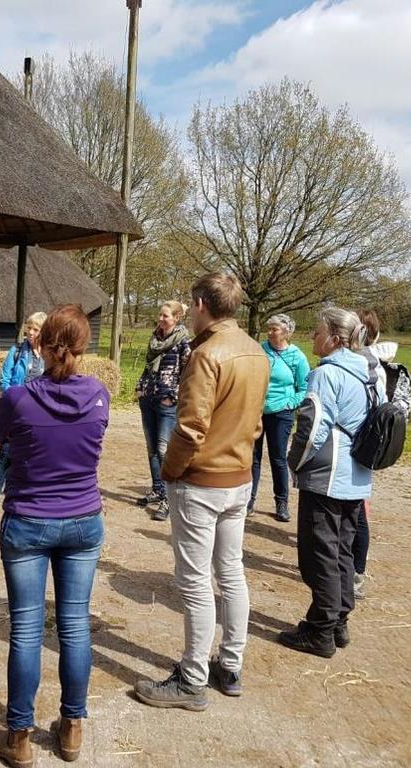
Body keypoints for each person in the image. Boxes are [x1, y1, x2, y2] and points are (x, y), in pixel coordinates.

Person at [134, 273, 269, 712]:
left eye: (191, 307)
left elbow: (191, 428)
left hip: (203, 481)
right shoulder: (255, 351)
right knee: (231, 572)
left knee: (194, 582)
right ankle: (229, 666)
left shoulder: (207, 354)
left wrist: (170, 474)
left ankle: (192, 678)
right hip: (239, 479)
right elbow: (256, 423)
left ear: (200, 305)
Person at [0, 304, 110, 766]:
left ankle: (19, 736)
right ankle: (72, 727)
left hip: (28, 521)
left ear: (41, 343)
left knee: (26, 628)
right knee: (75, 626)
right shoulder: (99, 394)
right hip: (82, 520)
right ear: (83, 347)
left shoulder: (20, 397)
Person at [281, 307, 385, 658]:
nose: (312, 336)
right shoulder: (368, 373)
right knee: (341, 550)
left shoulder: (326, 374)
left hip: (327, 475)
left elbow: (312, 428)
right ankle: (339, 621)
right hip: (357, 476)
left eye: (317, 331)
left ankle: (320, 630)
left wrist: (294, 463)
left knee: (319, 553)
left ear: (335, 338)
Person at [351, 309, 400, 599]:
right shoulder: (374, 362)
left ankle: (355, 573)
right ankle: (352, 570)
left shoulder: (367, 364)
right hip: (363, 446)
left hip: (357, 447)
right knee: (358, 510)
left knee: (357, 512)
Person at [0, 311, 47, 510]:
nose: (30, 332)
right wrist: (16, 400)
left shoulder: (48, 354)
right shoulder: (17, 350)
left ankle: (24, 490)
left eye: (35, 329)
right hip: (17, 410)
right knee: (6, 451)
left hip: (40, 412)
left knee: (35, 452)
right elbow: (4, 380)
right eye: (29, 328)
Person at [249, 313, 310, 522]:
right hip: (256, 410)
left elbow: (304, 388)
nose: (269, 332)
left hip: (281, 413)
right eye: (269, 328)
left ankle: (281, 502)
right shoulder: (259, 350)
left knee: (278, 458)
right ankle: (249, 499)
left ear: (286, 332)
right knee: (252, 457)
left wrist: (289, 404)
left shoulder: (297, 357)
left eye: (274, 329)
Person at [135, 301, 192, 522]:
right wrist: (140, 388)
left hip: (167, 401)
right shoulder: (155, 338)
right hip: (148, 397)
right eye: (160, 315)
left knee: (163, 449)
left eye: (166, 315)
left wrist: (173, 396)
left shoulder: (183, 342)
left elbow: (187, 373)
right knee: (151, 449)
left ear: (176, 318)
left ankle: (168, 500)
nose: (161, 319)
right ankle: (157, 489)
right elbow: (148, 366)